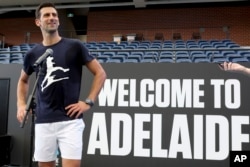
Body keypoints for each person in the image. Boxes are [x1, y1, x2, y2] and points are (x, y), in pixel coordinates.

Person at [16, 2, 106, 167]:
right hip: (43, 121)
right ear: (38, 22)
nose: (52, 18)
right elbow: (23, 80)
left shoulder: (75, 46)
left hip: (70, 121)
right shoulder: (33, 54)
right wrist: (21, 104)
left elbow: (100, 73)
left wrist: (89, 101)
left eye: (54, 15)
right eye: (47, 15)